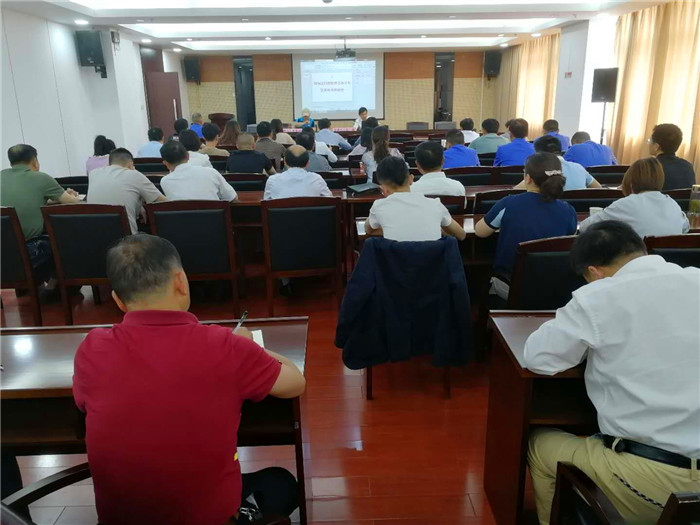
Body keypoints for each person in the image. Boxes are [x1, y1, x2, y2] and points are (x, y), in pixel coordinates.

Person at [73, 234, 305, 525]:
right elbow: (296, 382)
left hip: (119, 519)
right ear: (181, 281)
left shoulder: (92, 347)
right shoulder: (225, 346)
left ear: (118, 300)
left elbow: (85, 404)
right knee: (281, 484)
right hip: (208, 518)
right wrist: (250, 346)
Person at [524, 220, 700, 525]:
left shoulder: (599, 296)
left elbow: (538, 357)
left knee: (539, 445)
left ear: (594, 272)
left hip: (653, 483)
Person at [475, 152, 577, 300]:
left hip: (511, 286)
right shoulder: (568, 210)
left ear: (527, 178)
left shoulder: (508, 203)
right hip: (555, 288)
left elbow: (480, 232)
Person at [0, 144, 80, 266]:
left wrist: (52, 199)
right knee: (64, 243)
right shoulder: (41, 177)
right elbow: (73, 202)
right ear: (34, 161)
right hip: (29, 250)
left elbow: (28, 199)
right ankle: (57, 279)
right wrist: (71, 195)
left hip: (4, 251)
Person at [579, 157, 689, 237]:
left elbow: (585, 227)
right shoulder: (673, 204)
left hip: (633, 261)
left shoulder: (626, 204)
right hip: (669, 262)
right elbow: (685, 227)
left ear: (631, 184)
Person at [365, 156, 466, 242]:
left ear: (383, 189)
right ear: (411, 179)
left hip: (397, 259)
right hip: (432, 259)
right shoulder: (435, 205)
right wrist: (437, 228)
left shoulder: (379, 206)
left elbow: (369, 230)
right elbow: (461, 235)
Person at [87, 148, 166, 233]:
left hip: (95, 235)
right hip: (126, 238)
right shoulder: (135, 175)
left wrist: (138, 205)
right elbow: (164, 202)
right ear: (131, 165)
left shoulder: (93, 174)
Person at [515, 135, 601, 190]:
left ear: (538, 154)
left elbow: (516, 190)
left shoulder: (539, 169)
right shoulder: (579, 167)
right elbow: (598, 188)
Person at [160, 141, 237, 202]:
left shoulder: (165, 181)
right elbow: (233, 197)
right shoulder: (211, 172)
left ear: (165, 163)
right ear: (188, 156)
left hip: (182, 218)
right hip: (213, 217)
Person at [263, 145, 332, 200]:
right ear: (307, 163)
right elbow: (330, 200)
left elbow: (266, 203)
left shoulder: (272, 180)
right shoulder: (317, 179)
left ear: (285, 162)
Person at [648, 123, 696, 190]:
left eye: (649, 140)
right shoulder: (688, 166)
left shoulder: (649, 166)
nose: (648, 143)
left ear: (656, 146)